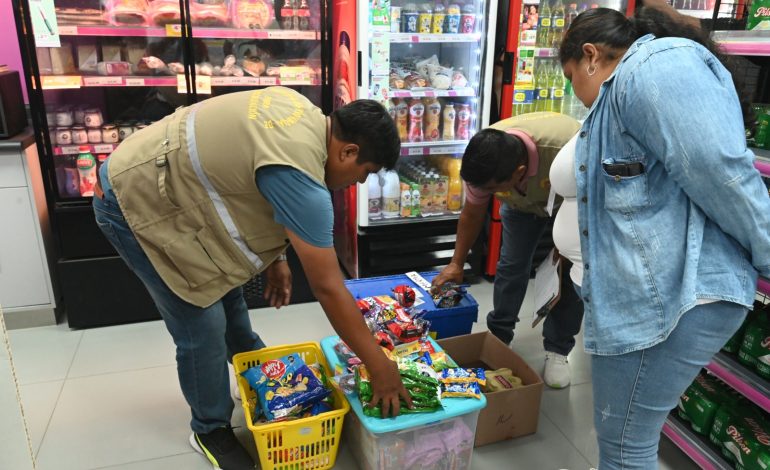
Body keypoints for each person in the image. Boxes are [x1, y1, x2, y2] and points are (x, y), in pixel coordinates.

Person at [92, 87, 410, 470]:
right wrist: (380, 367)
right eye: (365, 173)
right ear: (348, 152)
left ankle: (259, 371)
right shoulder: (304, 179)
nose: (358, 183)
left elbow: (244, 178)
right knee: (201, 323)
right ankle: (209, 429)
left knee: (226, 294)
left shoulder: (297, 108)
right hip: (131, 200)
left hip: (172, 190)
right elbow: (328, 287)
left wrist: (277, 258)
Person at [559, 7, 770, 468]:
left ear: (591, 56)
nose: (577, 94)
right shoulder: (626, 89)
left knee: (625, 449)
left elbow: (722, 174)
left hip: (674, 303)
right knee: (625, 444)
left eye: (573, 77)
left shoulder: (658, 68)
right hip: (651, 302)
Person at [431, 112, 585, 389]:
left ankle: (558, 349)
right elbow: (472, 214)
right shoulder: (483, 160)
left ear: (517, 173)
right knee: (511, 265)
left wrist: (571, 242)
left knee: (570, 274)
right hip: (520, 206)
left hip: (572, 202)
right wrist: (456, 263)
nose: (485, 193)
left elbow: (594, 198)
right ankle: (500, 336)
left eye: (492, 189)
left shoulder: (569, 148)